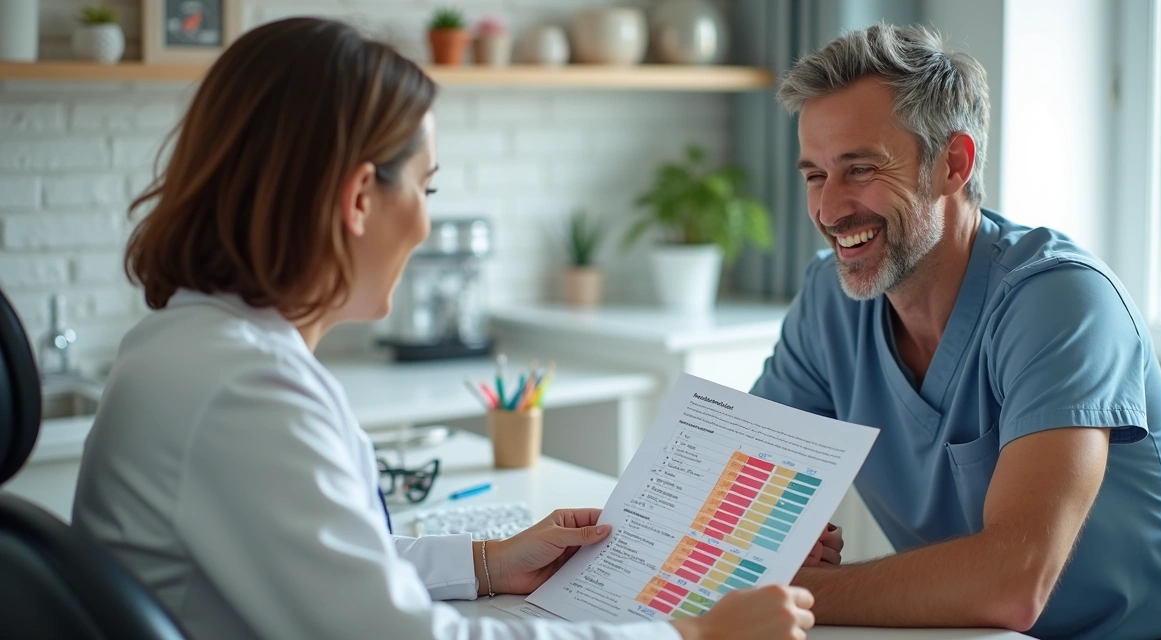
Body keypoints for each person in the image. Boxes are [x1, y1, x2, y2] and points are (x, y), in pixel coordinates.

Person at [70, 18, 815, 640]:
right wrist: (688, 634)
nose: (426, 225)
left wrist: (487, 563)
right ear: (361, 197)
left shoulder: (185, 346)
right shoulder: (244, 391)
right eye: (424, 189)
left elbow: (325, 562)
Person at [750, 22, 1161, 640]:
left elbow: (1013, 581)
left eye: (860, 169)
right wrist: (616, 536)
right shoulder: (828, 301)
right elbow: (741, 494)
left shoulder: (1062, 302)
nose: (829, 210)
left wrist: (793, 595)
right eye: (814, 175)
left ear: (953, 162)